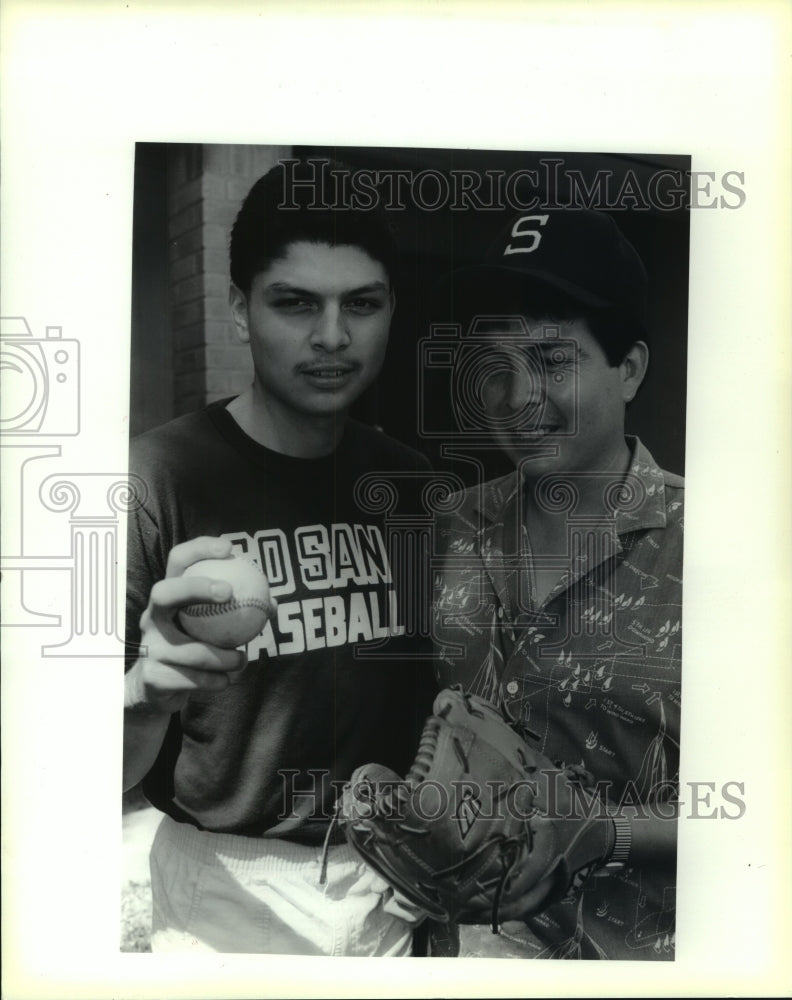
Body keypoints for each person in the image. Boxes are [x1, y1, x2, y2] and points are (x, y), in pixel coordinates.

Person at [123, 160, 438, 956]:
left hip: (389, 886)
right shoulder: (152, 480)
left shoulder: (414, 487)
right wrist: (142, 698)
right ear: (238, 308)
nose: (332, 337)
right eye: (295, 303)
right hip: (225, 892)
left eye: (360, 304)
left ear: (390, 310)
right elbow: (81, 773)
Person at [432, 209, 683, 959]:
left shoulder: (726, 548)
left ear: (629, 368)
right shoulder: (454, 525)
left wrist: (605, 834)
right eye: (495, 367)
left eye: (550, 358)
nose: (514, 398)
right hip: (462, 947)